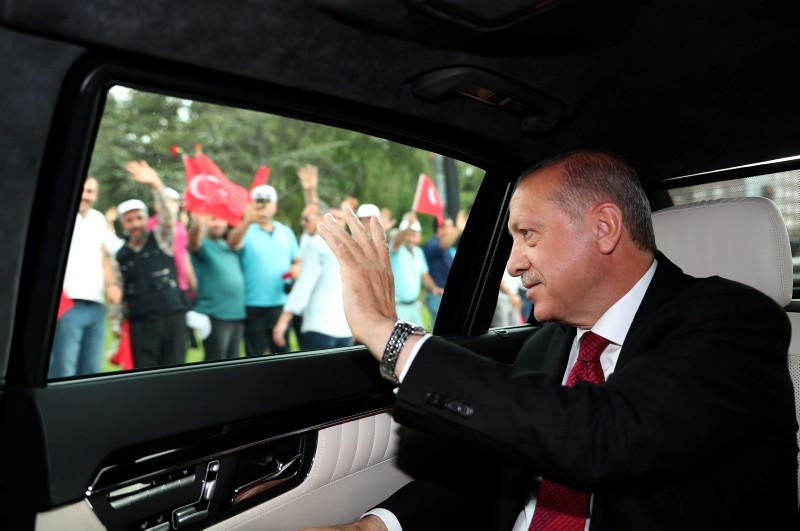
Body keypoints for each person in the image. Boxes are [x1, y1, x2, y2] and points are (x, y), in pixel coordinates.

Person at [312, 149, 797, 529]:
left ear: (604, 228)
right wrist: (378, 527)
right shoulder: (545, 345)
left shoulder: (733, 325)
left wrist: (387, 333)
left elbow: (605, 437)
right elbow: (493, 465)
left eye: (528, 234)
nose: (512, 263)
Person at [111, 160, 188, 369]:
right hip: (141, 323)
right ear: (123, 224)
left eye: (138, 218)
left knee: (175, 373)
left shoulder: (161, 239)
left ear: (146, 219)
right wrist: (116, 322)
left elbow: (168, 216)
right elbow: (117, 289)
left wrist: (156, 184)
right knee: (146, 374)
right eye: (129, 220)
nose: (135, 223)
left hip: (171, 318)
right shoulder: (120, 255)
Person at [49, 176, 123, 378]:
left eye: (90, 191)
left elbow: (108, 253)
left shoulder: (98, 219)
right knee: (63, 368)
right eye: (81, 190)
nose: (85, 195)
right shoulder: (60, 216)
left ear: (96, 195)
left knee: (91, 370)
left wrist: (113, 284)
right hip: (68, 303)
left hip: (96, 306)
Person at [227, 184, 300, 356]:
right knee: (255, 355)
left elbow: (297, 261)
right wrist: (247, 220)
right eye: (259, 202)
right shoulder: (246, 230)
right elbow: (232, 243)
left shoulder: (285, 231)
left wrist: (292, 272)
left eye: (267, 202)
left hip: (281, 303)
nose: (263, 206)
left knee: (281, 352)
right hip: (253, 305)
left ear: (274, 205)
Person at [272, 202, 352, 351]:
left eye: (307, 219)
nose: (302, 223)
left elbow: (304, 284)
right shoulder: (348, 246)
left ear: (323, 218)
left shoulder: (316, 244)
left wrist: (283, 321)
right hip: (345, 328)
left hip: (319, 325)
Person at [187, 212, 245, 360]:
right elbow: (193, 240)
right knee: (216, 361)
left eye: (221, 219)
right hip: (215, 314)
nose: (218, 224)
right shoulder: (202, 244)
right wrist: (197, 224)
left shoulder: (227, 246)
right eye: (213, 219)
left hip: (236, 313)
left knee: (234, 362)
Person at [390, 212, 442, 326]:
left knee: (420, 340)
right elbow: (396, 241)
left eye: (415, 235)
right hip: (398, 307)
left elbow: (424, 274)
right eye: (409, 234)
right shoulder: (396, 250)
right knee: (402, 342)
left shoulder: (418, 252)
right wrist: (408, 225)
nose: (411, 239)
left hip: (414, 306)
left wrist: (434, 288)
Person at [422, 211, 466, 324]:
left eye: (452, 226)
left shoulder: (446, 247)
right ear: (439, 229)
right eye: (449, 226)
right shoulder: (431, 245)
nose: (452, 229)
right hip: (437, 297)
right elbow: (442, 245)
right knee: (441, 333)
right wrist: (458, 229)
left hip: (446, 296)